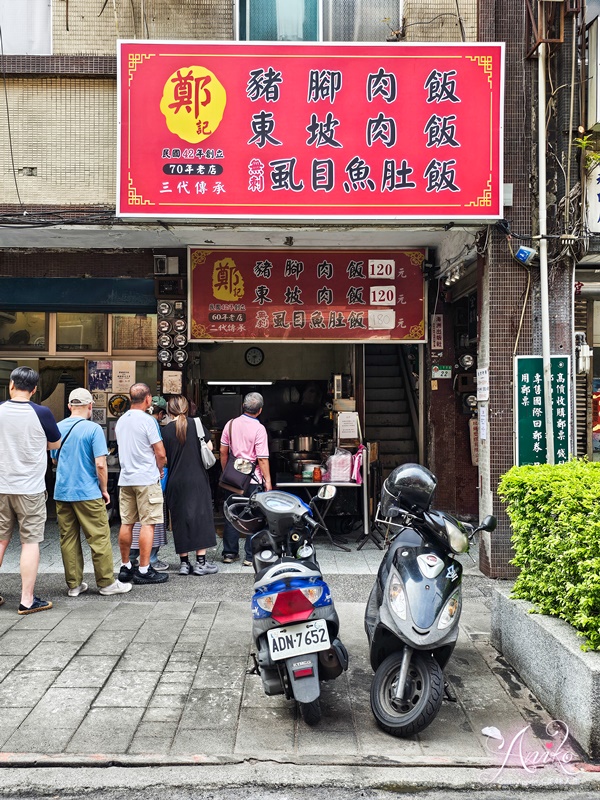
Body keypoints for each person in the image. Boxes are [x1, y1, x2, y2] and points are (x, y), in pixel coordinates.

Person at [53, 388, 132, 597]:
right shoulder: (93, 429)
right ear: (90, 406)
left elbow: (54, 459)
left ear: (69, 406)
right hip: (87, 492)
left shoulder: (57, 427)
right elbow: (100, 464)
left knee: (68, 539)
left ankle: (74, 585)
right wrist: (104, 490)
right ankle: (106, 583)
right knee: (99, 537)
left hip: (62, 492)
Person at [0, 366, 61, 614]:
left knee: (1, 540)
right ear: (34, 390)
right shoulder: (42, 413)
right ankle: (26, 599)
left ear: (12, 385)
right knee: (30, 541)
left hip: (1, 485)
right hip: (30, 488)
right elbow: (55, 443)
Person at [115, 383, 168, 585]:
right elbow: (160, 452)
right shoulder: (148, 421)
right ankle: (144, 569)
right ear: (147, 399)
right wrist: (160, 468)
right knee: (148, 523)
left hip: (126, 479)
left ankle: (126, 565)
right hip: (146, 478)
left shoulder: (121, 421)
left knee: (127, 522)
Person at [162, 395, 218, 576]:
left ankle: (184, 564)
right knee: (200, 518)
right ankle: (201, 563)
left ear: (170, 411)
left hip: (175, 482)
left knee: (180, 520)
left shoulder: (166, 431)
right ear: (187, 409)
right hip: (197, 480)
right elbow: (209, 448)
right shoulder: (198, 425)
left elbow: (163, 458)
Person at [219, 391, 272, 566]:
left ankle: (229, 553)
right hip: (253, 480)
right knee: (253, 516)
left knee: (231, 514)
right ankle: (250, 557)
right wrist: (268, 481)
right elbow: (262, 459)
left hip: (233, 478)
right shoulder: (259, 429)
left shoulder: (231, 424)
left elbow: (223, 452)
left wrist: (227, 472)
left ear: (243, 406)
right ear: (260, 410)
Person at [129, 396, 169, 572]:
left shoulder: (126, 421)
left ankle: (129, 558)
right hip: (149, 476)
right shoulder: (153, 425)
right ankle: (151, 559)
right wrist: (161, 469)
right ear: (160, 413)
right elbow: (160, 454)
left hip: (129, 477)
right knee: (153, 519)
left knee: (132, 519)